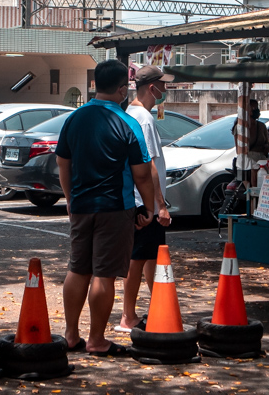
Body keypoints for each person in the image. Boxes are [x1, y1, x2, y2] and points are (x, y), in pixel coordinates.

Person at [56, 59, 154, 356]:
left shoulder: (74, 119)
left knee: (77, 269)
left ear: (95, 84)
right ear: (123, 89)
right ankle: (96, 340)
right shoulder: (128, 123)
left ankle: (71, 335)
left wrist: (71, 198)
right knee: (104, 274)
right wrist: (148, 208)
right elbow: (142, 174)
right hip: (115, 207)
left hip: (82, 205)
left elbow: (63, 162)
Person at [119, 65, 173, 332]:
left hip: (139, 199)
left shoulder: (132, 114)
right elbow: (149, 164)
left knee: (150, 257)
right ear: (152, 88)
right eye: (164, 86)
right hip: (145, 202)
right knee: (138, 259)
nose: (166, 90)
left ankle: (158, 305)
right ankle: (128, 316)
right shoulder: (144, 119)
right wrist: (160, 205)